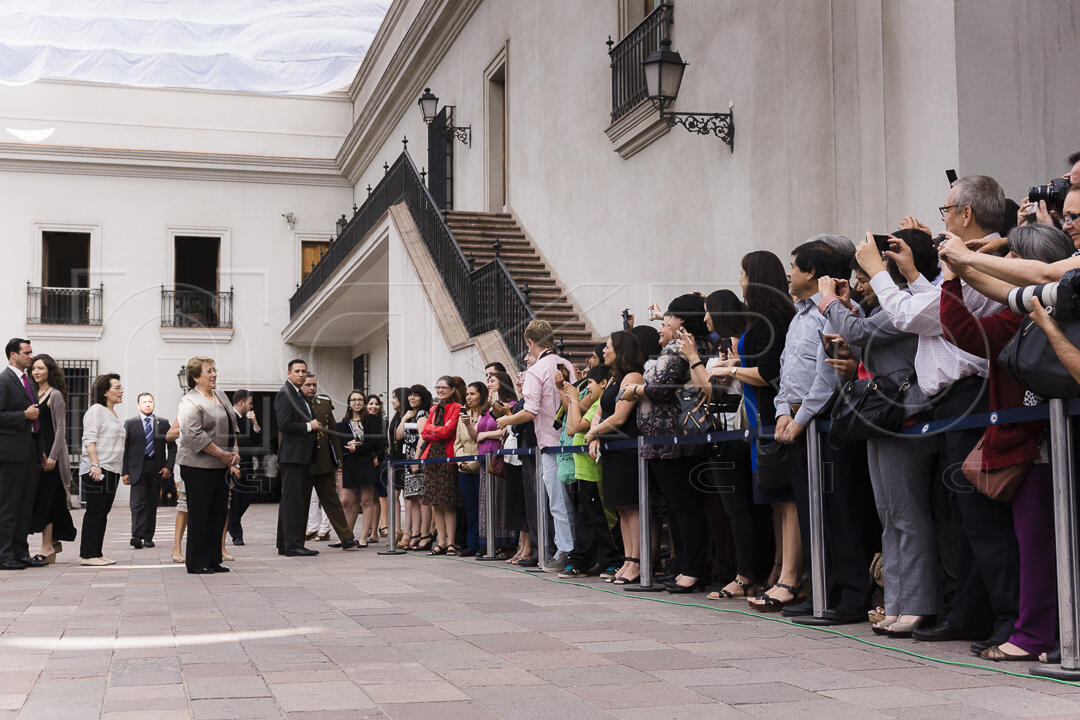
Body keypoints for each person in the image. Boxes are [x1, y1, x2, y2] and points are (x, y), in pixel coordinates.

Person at [866, 177, 1019, 649]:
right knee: (962, 514)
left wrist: (876, 271)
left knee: (980, 515)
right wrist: (914, 273)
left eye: (946, 210)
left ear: (967, 213)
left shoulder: (975, 263)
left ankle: (1005, 619)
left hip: (969, 397)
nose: (942, 220)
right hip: (953, 401)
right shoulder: (960, 262)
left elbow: (919, 317)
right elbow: (930, 305)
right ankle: (972, 613)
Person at [939, 223, 1074, 660]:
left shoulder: (1050, 303)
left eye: (1015, 258)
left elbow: (964, 326)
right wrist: (955, 264)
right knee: (1034, 543)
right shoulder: (1027, 304)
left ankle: (1034, 636)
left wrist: (959, 266)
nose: (1008, 267)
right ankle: (1043, 634)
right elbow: (995, 289)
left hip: (1040, 441)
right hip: (1036, 441)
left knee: (1036, 544)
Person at [819, 229, 938, 636]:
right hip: (881, 417)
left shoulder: (910, 302)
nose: (864, 283)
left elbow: (861, 333)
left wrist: (833, 304)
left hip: (904, 417)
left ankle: (917, 603)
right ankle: (898, 601)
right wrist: (846, 305)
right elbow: (862, 330)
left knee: (908, 516)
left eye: (869, 274)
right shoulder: (889, 305)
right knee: (890, 517)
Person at [714, 252, 800, 610]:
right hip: (759, 419)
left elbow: (768, 373)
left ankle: (790, 577)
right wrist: (736, 363)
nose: (740, 280)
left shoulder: (770, 318)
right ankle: (780, 568)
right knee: (775, 501)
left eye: (744, 273)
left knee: (786, 500)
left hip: (770, 415)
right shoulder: (768, 317)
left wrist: (730, 372)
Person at [620, 294, 713, 593]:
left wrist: (634, 389)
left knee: (684, 505)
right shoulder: (679, 343)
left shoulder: (679, 347)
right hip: (663, 440)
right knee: (675, 506)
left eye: (667, 318)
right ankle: (684, 565)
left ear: (681, 319)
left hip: (672, 438)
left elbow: (661, 388)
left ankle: (693, 568)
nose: (661, 324)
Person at [497, 320, 576, 565]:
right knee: (571, 499)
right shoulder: (567, 365)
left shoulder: (536, 370)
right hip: (570, 437)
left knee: (557, 501)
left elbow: (530, 411)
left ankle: (565, 550)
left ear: (531, 341)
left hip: (550, 443)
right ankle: (571, 548)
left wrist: (506, 419)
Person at [585, 331, 646, 584]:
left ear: (621, 350)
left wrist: (594, 432)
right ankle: (627, 559)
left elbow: (620, 417)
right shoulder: (613, 379)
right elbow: (600, 409)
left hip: (627, 448)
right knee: (621, 508)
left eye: (609, 347)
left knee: (632, 506)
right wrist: (595, 433)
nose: (604, 351)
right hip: (611, 448)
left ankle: (637, 561)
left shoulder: (632, 377)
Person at [176, 357, 238, 574]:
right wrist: (222, 455)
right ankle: (196, 562)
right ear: (195, 377)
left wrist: (235, 452)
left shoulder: (221, 396)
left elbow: (233, 425)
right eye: (208, 371)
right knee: (200, 514)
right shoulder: (189, 401)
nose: (214, 374)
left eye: (214, 370)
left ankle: (213, 559)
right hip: (197, 466)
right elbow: (194, 434)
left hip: (221, 465)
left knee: (218, 513)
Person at [559, 364, 619, 579]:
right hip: (583, 470)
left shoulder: (598, 405)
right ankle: (592, 559)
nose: (587, 388)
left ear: (604, 383)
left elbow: (575, 425)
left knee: (602, 516)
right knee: (587, 516)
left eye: (591, 383)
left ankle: (612, 559)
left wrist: (574, 398)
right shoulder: (594, 403)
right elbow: (568, 427)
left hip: (594, 469)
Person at [299, 374, 359, 551]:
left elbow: (333, 432)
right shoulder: (295, 404)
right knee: (302, 502)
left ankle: (347, 537)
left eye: (314, 385)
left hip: (323, 461)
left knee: (332, 501)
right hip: (303, 461)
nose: (312, 388)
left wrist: (338, 460)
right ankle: (298, 539)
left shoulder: (324, 404)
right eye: (308, 385)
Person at [28, 353, 76, 564]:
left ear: (49, 371)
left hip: (50, 456)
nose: (36, 372)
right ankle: (53, 542)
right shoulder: (31, 393)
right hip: (36, 455)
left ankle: (47, 547)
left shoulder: (55, 395)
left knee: (47, 499)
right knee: (46, 500)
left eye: (41, 368)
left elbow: (61, 430)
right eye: (34, 368)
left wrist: (54, 458)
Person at [79, 372, 125, 566]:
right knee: (95, 512)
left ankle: (96, 552)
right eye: (117, 388)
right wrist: (95, 465)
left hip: (112, 470)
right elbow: (89, 439)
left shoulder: (111, 413)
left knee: (102, 512)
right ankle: (88, 555)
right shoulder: (96, 410)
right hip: (97, 469)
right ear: (105, 392)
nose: (121, 391)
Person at [274, 359, 319, 557]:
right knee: (294, 501)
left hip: (301, 456)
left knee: (292, 500)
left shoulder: (299, 393)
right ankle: (293, 545)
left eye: (304, 371)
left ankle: (286, 544)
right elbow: (284, 424)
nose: (301, 374)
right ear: (288, 373)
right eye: (297, 371)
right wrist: (310, 426)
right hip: (293, 456)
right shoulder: (286, 393)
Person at [121, 393, 175, 549]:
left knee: (151, 504)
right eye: (144, 402)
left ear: (154, 404)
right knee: (137, 504)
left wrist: (168, 467)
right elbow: (124, 449)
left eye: (150, 402)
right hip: (137, 469)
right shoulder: (130, 424)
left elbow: (172, 448)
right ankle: (136, 536)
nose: (147, 404)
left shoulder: (163, 423)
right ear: (138, 405)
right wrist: (125, 472)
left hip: (156, 469)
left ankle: (148, 537)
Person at [420, 375, 462, 555]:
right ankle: (441, 541)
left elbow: (448, 432)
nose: (440, 390)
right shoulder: (434, 409)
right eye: (438, 387)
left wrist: (434, 431)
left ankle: (451, 542)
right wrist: (436, 431)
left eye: (444, 387)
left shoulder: (457, 407)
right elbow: (424, 433)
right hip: (432, 457)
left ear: (453, 389)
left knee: (448, 502)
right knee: (435, 503)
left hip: (447, 456)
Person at [340, 391, 384, 547]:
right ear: (349, 403)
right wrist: (347, 446)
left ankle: (364, 537)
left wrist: (358, 447)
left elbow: (376, 442)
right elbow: (339, 442)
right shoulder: (344, 422)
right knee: (346, 501)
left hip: (366, 462)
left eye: (360, 400)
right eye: (353, 400)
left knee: (366, 500)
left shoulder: (371, 419)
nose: (357, 402)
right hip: (350, 464)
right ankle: (347, 535)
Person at [397, 385, 433, 550]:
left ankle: (425, 534)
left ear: (422, 398)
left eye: (416, 395)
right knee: (413, 498)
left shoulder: (422, 414)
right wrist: (404, 418)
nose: (412, 398)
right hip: (409, 460)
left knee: (422, 499)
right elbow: (398, 436)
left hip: (417, 460)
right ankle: (416, 533)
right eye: (410, 395)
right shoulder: (410, 414)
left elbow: (423, 437)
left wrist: (416, 460)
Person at [456, 381, 488, 557]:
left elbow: (482, 441)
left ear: (481, 395)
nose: (468, 397)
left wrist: (475, 462)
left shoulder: (487, 415)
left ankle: (484, 542)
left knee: (483, 506)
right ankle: (471, 543)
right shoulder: (463, 416)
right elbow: (457, 441)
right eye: (467, 394)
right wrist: (461, 460)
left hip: (482, 466)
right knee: (470, 507)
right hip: (464, 468)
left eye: (472, 394)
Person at [227, 389, 260, 546]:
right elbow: (228, 442)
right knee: (235, 501)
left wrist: (254, 423)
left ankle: (228, 523)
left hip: (247, 464)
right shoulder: (229, 418)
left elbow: (257, 441)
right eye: (250, 403)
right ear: (241, 403)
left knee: (247, 498)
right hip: (233, 466)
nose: (252, 406)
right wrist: (234, 465)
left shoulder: (247, 419)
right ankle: (236, 534)